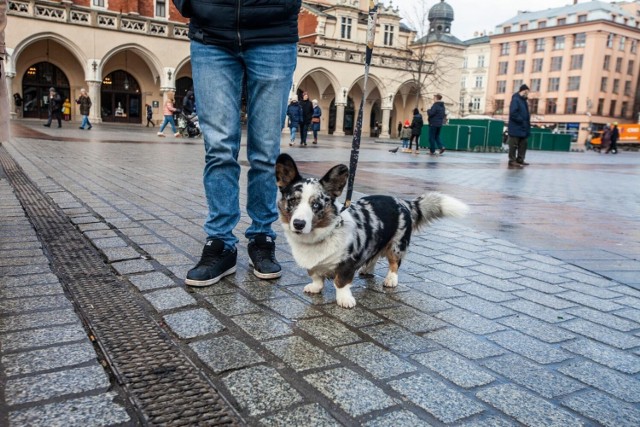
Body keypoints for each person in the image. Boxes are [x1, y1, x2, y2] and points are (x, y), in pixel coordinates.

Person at [174, 0, 299, 286]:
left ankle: (262, 236)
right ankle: (220, 241)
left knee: (267, 152)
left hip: (273, 32)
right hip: (211, 31)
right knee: (218, 149)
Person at [507, 84, 531, 167]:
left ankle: (520, 159)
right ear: (522, 91)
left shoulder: (523, 100)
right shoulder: (515, 99)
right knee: (513, 145)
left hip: (523, 127)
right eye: (526, 91)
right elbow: (513, 113)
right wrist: (522, 120)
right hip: (516, 127)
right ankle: (512, 160)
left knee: (523, 144)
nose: (527, 93)